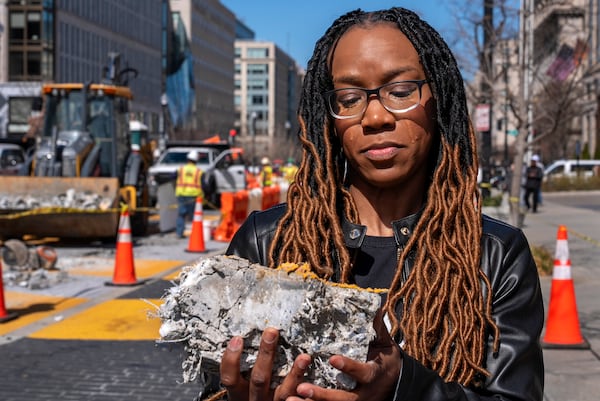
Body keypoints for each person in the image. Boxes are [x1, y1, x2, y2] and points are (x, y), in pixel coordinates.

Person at [221, 7, 544, 401]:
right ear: (330, 118)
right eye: (350, 97)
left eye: (401, 91)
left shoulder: (494, 254)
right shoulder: (265, 241)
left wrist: (401, 386)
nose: (375, 116)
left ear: (438, 98)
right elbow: (212, 383)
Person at [174, 150, 203, 238]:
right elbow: (204, 184)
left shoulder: (181, 169)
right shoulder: (198, 171)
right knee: (195, 216)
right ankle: (195, 234)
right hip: (194, 196)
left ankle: (179, 233)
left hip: (181, 194)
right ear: (196, 160)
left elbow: (172, 176)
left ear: (188, 159)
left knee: (181, 214)